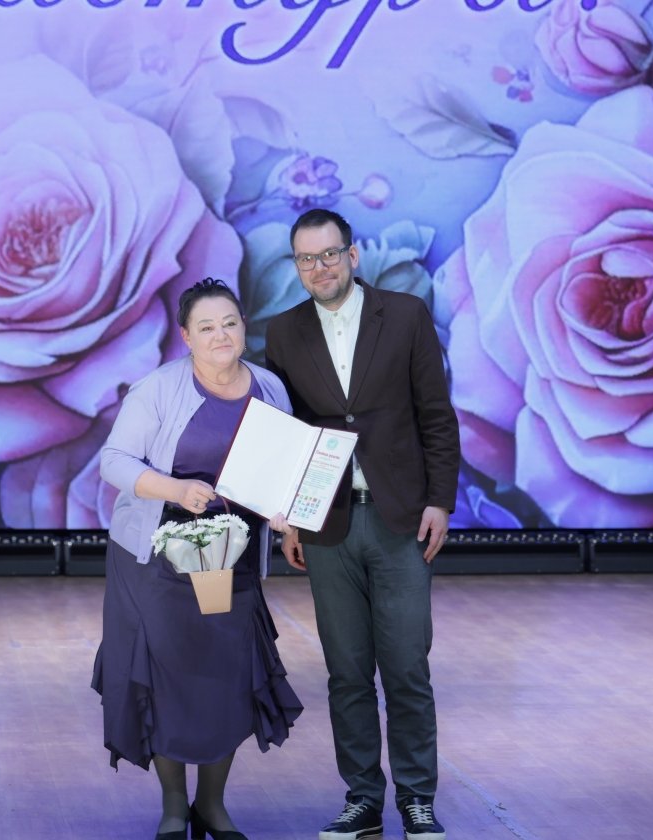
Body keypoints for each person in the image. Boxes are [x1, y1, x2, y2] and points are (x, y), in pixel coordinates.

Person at [265, 209, 460, 840]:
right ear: (296, 266)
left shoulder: (404, 315)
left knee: (406, 669)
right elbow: (287, 434)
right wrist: (289, 516)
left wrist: (440, 500)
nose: (319, 268)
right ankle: (362, 801)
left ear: (352, 255)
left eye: (329, 255)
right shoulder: (284, 331)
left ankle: (418, 799)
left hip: (401, 519)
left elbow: (436, 415)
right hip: (328, 525)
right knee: (346, 672)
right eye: (306, 259)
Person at [94, 278, 303, 840]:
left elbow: (281, 472)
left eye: (229, 323)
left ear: (244, 327)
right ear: (186, 336)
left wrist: (286, 514)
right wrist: (175, 489)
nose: (220, 335)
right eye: (206, 327)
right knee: (167, 678)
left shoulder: (270, 388)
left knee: (225, 678)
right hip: (156, 558)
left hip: (232, 557)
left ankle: (211, 805)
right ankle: (172, 805)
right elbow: (114, 460)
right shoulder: (158, 390)